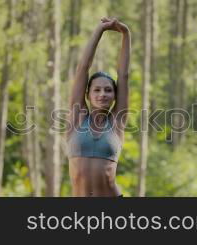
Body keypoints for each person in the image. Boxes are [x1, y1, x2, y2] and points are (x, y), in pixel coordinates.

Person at [66, 17, 130, 197]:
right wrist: (99, 30)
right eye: (97, 90)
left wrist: (126, 34)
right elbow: (82, 69)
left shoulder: (117, 123)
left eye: (108, 90)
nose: (102, 94)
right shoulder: (77, 119)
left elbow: (123, 75)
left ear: (115, 96)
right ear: (88, 94)